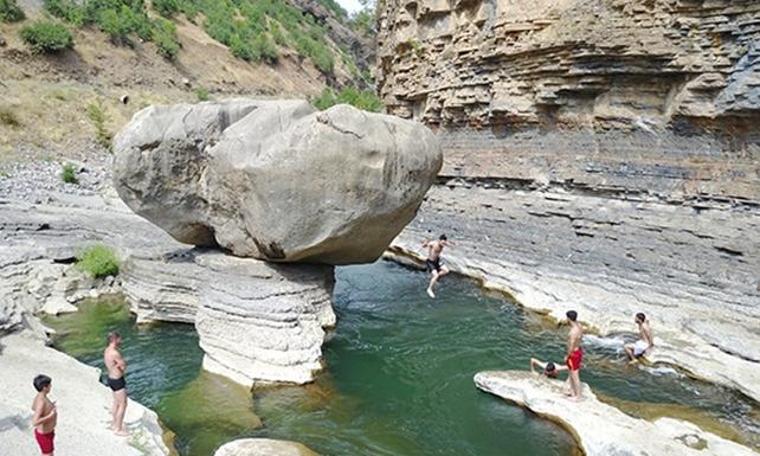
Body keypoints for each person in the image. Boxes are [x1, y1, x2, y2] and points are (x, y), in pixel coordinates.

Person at [104, 331, 128, 436]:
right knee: (123, 404)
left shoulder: (107, 350)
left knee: (116, 402)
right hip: (118, 380)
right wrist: (123, 367)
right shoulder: (115, 353)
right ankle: (118, 429)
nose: (121, 341)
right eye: (119, 339)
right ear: (115, 339)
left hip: (111, 379)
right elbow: (122, 366)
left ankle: (114, 424)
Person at [31, 374, 57, 456]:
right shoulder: (42, 401)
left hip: (47, 433)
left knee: (49, 454)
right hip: (44, 435)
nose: (51, 386)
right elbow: (35, 422)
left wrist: (49, 408)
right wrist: (50, 416)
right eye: (49, 385)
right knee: (48, 454)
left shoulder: (39, 396)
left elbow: (33, 407)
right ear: (45, 388)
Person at [422, 234, 452, 298]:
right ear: (439, 240)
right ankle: (429, 289)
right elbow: (424, 246)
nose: (443, 244)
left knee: (446, 271)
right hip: (430, 262)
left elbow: (449, 244)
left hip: (437, 261)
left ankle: (435, 278)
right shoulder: (433, 243)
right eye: (442, 243)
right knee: (436, 275)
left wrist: (452, 245)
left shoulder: (443, 243)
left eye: (444, 243)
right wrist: (425, 243)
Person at [564, 310, 583, 400]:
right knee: (571, 373)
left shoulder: (573, 332)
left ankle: (578, 396)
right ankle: (572, 392)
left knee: (575, 375)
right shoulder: (579, 326)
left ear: (568, 318)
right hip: (579, 350)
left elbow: (571, 345)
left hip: (573, 354)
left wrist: (567, 356)